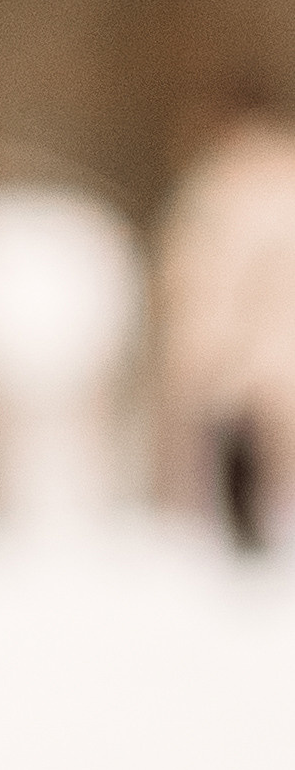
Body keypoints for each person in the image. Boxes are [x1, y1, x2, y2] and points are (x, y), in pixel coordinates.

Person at [157, 89, 295, 553]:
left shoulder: (222, 186)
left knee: (246, 435)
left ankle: (251, 542)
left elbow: (202, 268)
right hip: (261, 338)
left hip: (245, 337)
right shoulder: (261, 178)